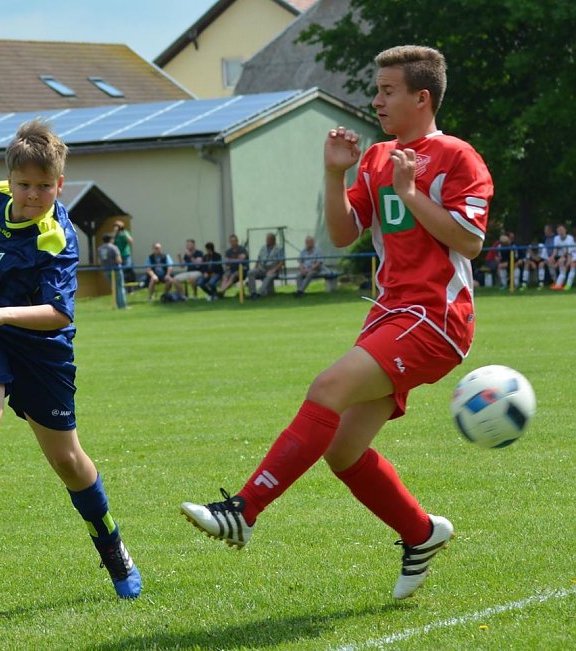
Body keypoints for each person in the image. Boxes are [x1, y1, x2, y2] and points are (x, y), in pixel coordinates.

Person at [181, 45, 493, 600]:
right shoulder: (375, 159)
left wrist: (411, 194)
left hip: (437, 318)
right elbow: (345, 235)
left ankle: (243, 511)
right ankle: (421, 533)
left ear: (422, 97)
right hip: (388, 314)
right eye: (376, 90)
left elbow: (470, 241)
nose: (376, 101)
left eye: (387, 91)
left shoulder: (457, 157)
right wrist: (333, 175)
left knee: (326, 388)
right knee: (342, 451)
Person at [0, 119, 141, 599]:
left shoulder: (56, 238)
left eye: (43, 187)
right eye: (24, 185)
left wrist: (4, 312)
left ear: (59, 184)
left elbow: (58, 313)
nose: (32, 195)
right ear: (9, 180)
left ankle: (113, 548)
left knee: (68, 460)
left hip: (41, 349)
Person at [247, 232, 284, 298]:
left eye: (268, 239)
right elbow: (258, 259)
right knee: (250, 272)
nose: (266, 241)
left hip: (273, 269)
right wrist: (255, 268)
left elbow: (281, 263)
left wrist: (274, 270)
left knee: (269, 275)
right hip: (262, 269)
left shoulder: (279, 248)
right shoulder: (263, 247)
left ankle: (259, 293)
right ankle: (252, 293)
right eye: (266, 239)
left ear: (273, 240)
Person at [97, 233, 127, 309]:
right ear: (111, 240)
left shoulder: (100, 249)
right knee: (119, 287)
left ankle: (116, 304)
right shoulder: (114, 247)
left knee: (113, 287)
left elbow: (99, 261)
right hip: (116, 269)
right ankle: (122, 305)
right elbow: (118, 260)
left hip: (106, 269)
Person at [549, 224, 575, 290]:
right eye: (558, 230)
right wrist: (552, 257)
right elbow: (555, 249)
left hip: (571, 255)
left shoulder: (570, 238)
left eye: (561, 230)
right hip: (564, 255)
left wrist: (568, 261)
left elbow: (569, 252)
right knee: (551, 262)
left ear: (565, 230)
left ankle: (568, 285)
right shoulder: (556, 238)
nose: (560, 232)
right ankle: (558, 283)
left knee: (572, 265)